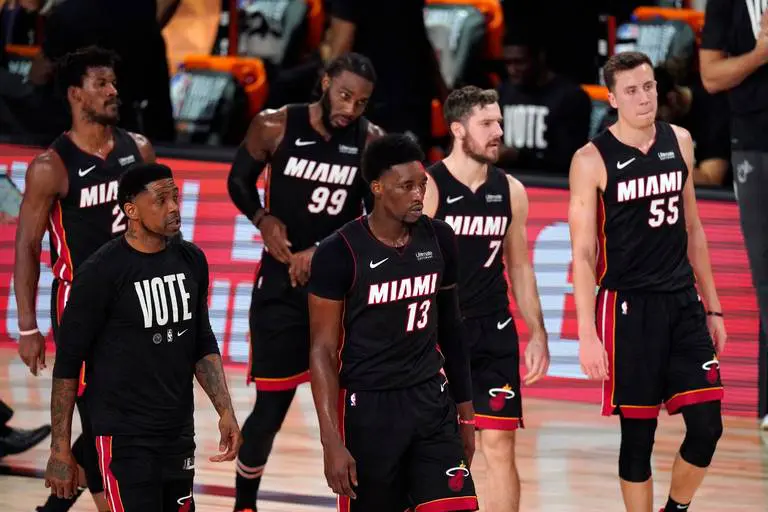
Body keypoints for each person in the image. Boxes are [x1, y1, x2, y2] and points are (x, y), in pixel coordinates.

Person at [568, 51, 726, 512]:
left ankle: (675, 508)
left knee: (707, 427)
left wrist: (713, 307)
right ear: (613, 99)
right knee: (638, 438)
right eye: (632, 90)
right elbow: (583, 255)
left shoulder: (680, 140)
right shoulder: (591, 159)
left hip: (682, 302)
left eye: (649, 86)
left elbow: (693, 228)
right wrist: (586, 333)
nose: (644, 98)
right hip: (627, 309)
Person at [225, 52, 383, 511]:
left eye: (361, 102)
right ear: (325, 82)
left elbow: (376, 217)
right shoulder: (274, 125)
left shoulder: (370, 142)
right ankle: (244, 505)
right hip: (279, 286)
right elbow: (238, 181)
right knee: (270, 409)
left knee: (354, 411)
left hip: (338, 290)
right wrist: (262, 218)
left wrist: (324, 251)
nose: (350, 109)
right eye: (345, 95)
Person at [44, 162, 242, 511]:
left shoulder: (192, 260)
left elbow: (202, 341)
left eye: (176, 197)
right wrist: (60, 448)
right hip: (124, 437)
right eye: (161, 200)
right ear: (131, 210)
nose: (174, 207)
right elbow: (68, 365)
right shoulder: (100, 272)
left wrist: (225, 410)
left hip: (178, 432)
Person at [13, 45, 155, 512]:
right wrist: (28, 327)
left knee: (120, 417)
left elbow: (161, 223)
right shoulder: (51, 166)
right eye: (101, 84)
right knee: (105, 418)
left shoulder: (139, 149)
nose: (113, 91)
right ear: (76, 94)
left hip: (137, 299)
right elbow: (28, 248)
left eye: (114, 82)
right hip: (83, 305)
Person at [308, 133, 478, 511]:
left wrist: (466, 413)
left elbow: (452, 327)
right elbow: (322, 350)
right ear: (378, 188)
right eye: (406, 187)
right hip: (369, 407)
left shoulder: (440, 238)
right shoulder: (339, 252)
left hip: (430, 400)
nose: (418, 195)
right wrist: (330, 440)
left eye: (422, 185)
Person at [424, 86, 549, 512]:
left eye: (499, 121)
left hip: (493, 330)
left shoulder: (510, 189)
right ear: (458, 129)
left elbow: (520, 267)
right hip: (440, 333)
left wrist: (537, 332)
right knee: (440, 446)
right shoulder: (430, 186)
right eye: (486, 123)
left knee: (500, 444)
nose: (498, 131)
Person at [699, 0, 768, 429]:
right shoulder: (725, 3)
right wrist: (760, 54)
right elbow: (710, 76)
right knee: (765, 274)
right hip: (756, 143)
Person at [496, 31, 592, 176]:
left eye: (519, 62)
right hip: (507, 180)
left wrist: (519, 157)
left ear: (539, 57)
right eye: (507, 63)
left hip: (550, 182)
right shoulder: (503, 92)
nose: (512, 70)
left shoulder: (570, 97)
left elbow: (570, 158)